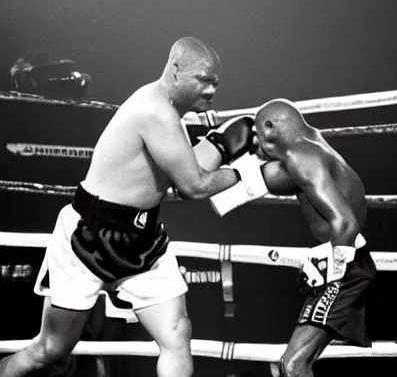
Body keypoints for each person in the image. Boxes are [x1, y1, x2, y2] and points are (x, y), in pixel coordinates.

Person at [0, 37, 261, 377]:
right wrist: (248, 173)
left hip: (143, 239)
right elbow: (193, 185)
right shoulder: (156, 112)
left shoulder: (169, 114)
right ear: (176, 71)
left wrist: (220, 144)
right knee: (51, 349)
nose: (211, 90)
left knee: (177, 333)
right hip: (89, 237)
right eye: (203, 79)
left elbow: (180, 170)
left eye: (216, 82)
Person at [215, 98, 376, 377]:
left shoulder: (300, 157)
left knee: (293, 365)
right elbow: (237, 191)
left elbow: (346, 224)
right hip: (346, 261)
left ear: (269, 126)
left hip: (344, 266)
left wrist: (330, 267)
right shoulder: (310, 144)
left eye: (256, 132)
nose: (254, 140)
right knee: (295, 363)